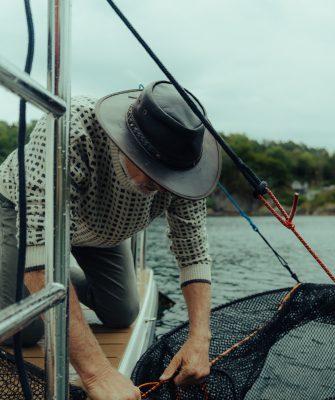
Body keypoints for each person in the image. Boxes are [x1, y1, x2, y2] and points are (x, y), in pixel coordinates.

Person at [0, 81, 222, 399]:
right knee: (27, 331)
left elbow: (193, 250)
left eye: (169, 176)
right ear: (125, 141)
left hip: (103, 230)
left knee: (122, 312)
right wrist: (98, 373)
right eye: (151, 168)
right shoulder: (71, 128)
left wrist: (200, 337)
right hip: (21, 210)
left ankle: (62, 278)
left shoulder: (186, 163)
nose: (160, 184)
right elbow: (42, 249)